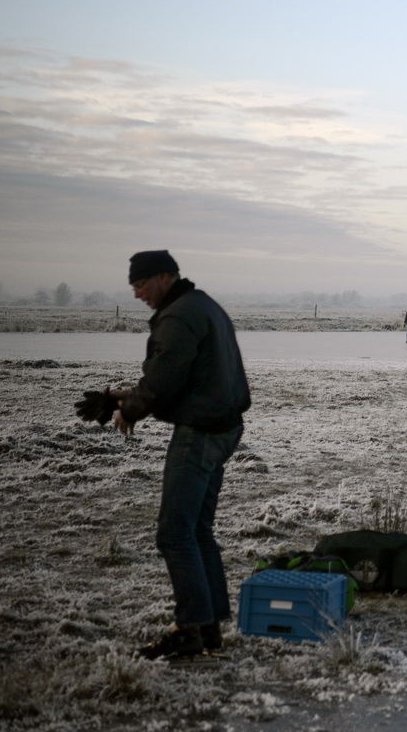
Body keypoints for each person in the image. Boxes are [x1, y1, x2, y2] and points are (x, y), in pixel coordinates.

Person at [73, 250, 250, 661]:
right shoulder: (202, 304)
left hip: (201, 433)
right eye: (133, 287)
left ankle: (189, 628)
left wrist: (129, 408)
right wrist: (120, 395)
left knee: (174, 533)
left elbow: (164, 380)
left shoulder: (179, 316)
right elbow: (189, 374)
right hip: (223, 427)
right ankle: (208, 628)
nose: (137, 294)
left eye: (141, 285)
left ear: (165, 277)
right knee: (198, 530)